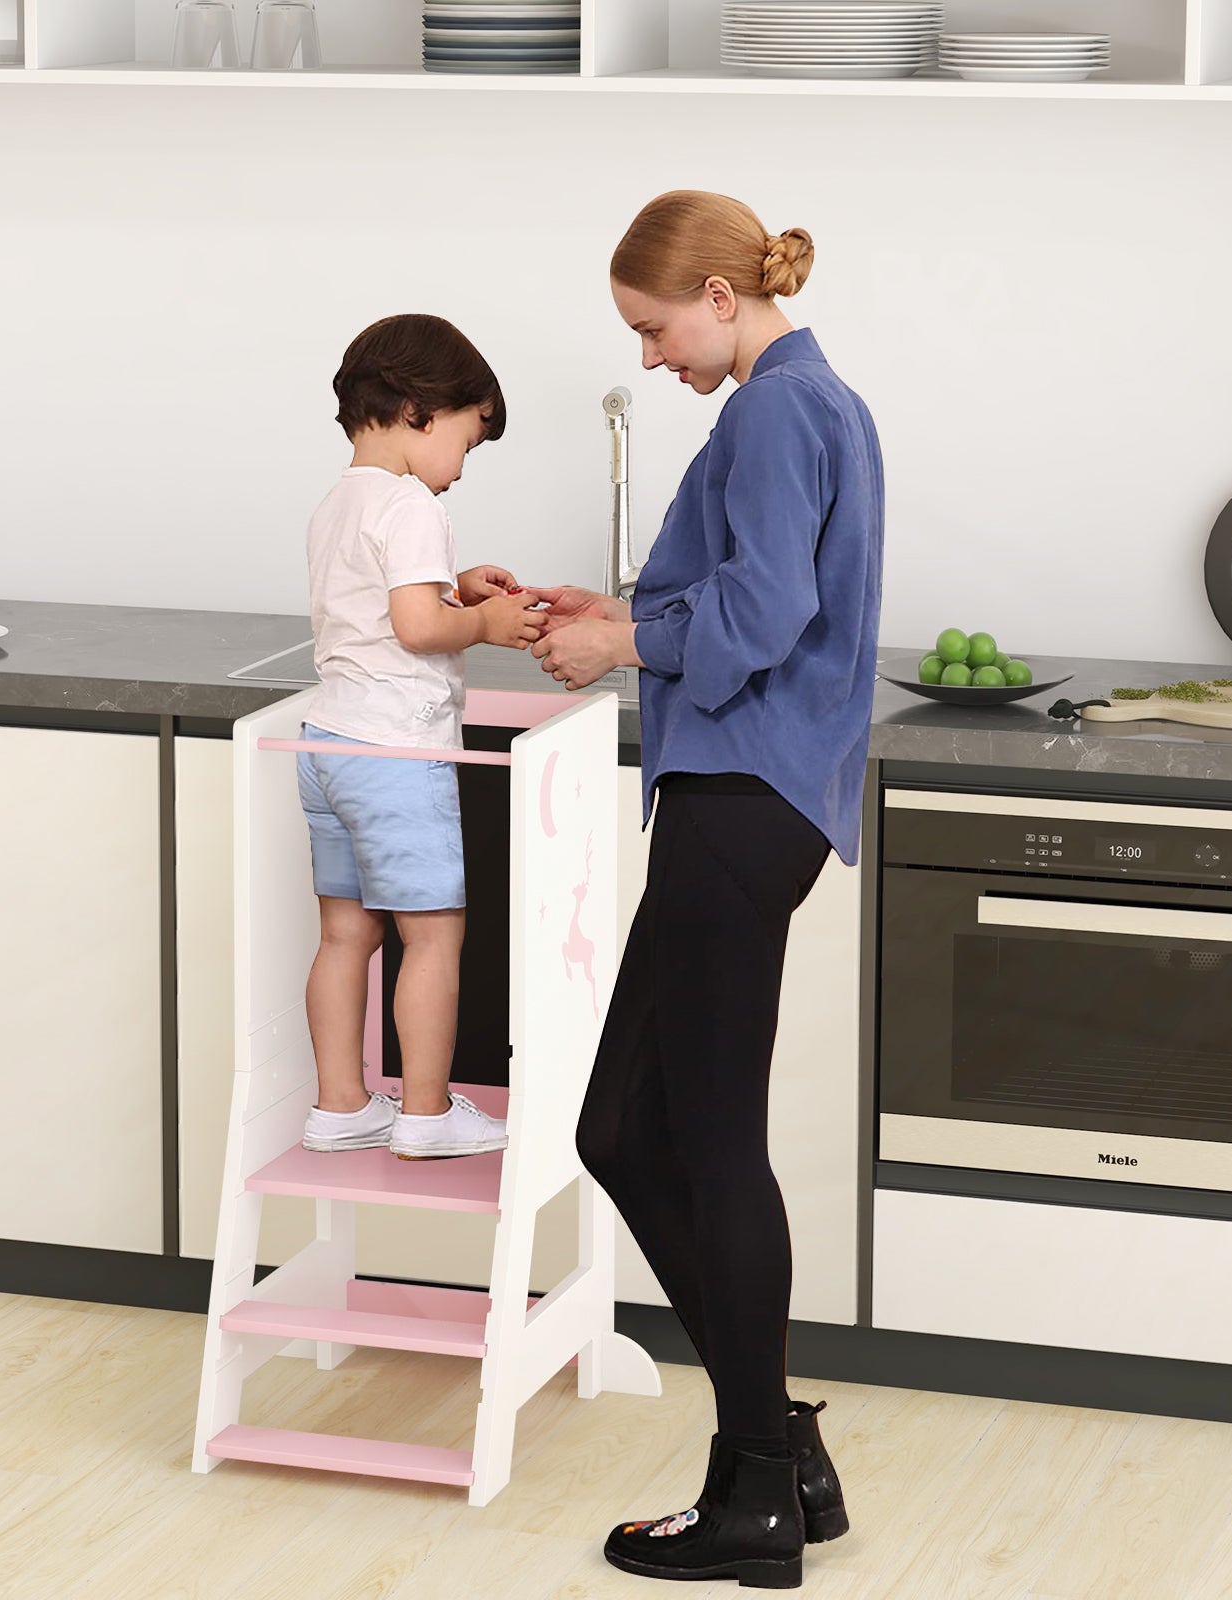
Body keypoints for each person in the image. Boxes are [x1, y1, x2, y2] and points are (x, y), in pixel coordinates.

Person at [530, 191, 884, 1589]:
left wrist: (624, 647)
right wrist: (621, 616)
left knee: (711, 1140)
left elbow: (764, 614)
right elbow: (745, 592)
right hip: (748, 799)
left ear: (721, 298)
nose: (650, 355)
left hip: (742, 798)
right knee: (623, 1128)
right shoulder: (802, 401)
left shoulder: (778, 411)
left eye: (655, 327)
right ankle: (780, 1449)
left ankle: (754, 1496)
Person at [297, 313, 545, 1161]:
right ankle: (428, 1114)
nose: (461, 470)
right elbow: (416, 627)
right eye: (467, 444)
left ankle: (340, 1106)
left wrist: (455, 587)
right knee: (432, 936)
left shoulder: (339, 501)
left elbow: (380, 605)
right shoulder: (411, 503)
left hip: (328, 744)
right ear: (419, 410)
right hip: (396, 754)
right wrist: (485, 622)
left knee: (345, 935)